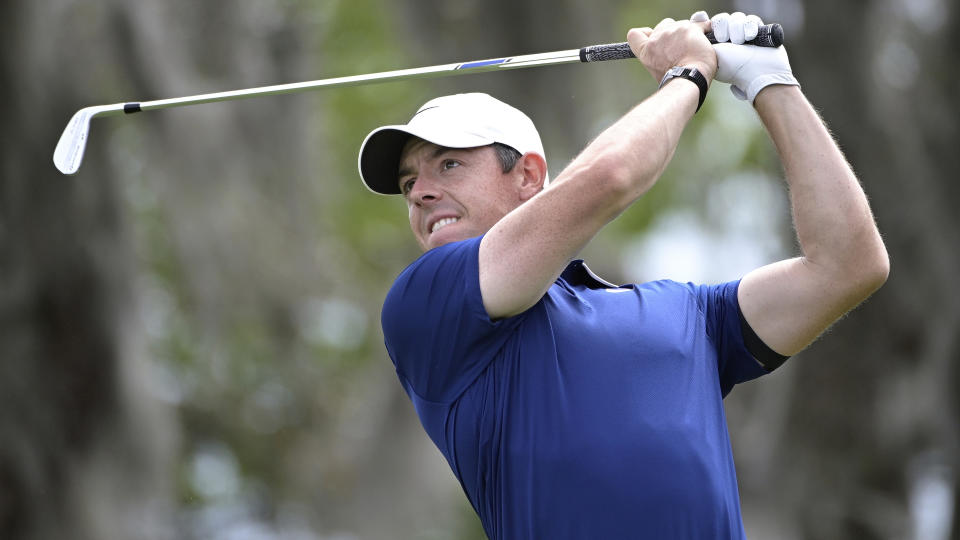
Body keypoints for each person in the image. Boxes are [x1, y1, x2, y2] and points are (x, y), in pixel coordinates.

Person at [357, 10, 888, 540]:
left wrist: (771, 82)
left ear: (527, 176)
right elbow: (610, 177)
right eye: (408, 184)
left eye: (448, 165)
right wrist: (687, 74)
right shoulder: (427, 303)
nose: (420, 192)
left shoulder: (692, 314)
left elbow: (847, 266)